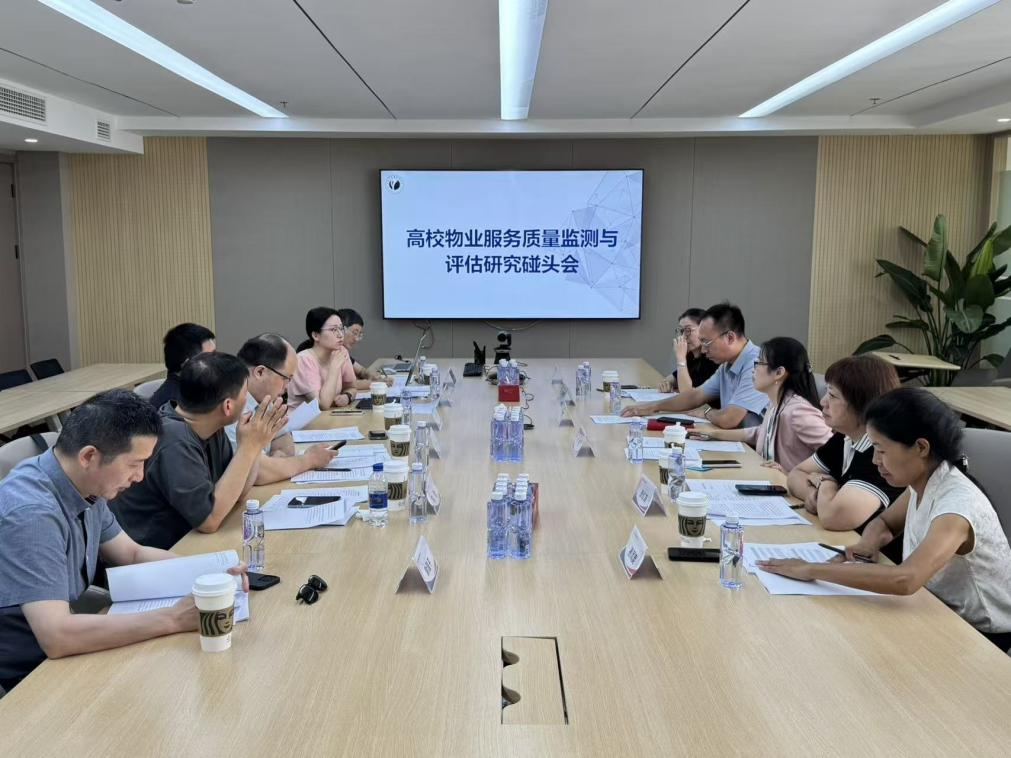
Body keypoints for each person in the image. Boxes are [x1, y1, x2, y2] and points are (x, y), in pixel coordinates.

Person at [0, 390, 248, 692]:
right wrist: (173, 618)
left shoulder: (82, 480)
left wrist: (210, 573)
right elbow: (56, 636)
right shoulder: (32, 513)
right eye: (134, 463)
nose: (140, 476)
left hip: (60, 635)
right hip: (25, 669)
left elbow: (131, 553)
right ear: (89, 456)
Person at [759, 388, 1011, 651]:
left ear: (921, 447)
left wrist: (810, 570)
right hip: (932, 608)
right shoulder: (923, 481)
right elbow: (885, 524)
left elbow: (906, 579)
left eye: (881, 450)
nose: (875, 460)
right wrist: (867, 544)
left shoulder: (956, 507)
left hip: (980, 634)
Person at [110, 353, 287, 551]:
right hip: (156, 553)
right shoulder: (174, 440)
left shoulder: (210, 427)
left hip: (187, 541)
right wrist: (249, 448)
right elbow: (209, 520)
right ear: (228, 406)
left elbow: (236, 494)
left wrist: (254, 445)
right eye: (245, 394)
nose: (247, 400)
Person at [787, 354, 904, 535]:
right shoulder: (845, 436)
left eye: (832, 395)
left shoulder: (881, 454)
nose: (823, 402)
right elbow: (796, 474)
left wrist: (825, 482)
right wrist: (813, 495)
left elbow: (833, 517)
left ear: (863, 405)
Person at [621, 302, 767, 429]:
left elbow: (729, 419)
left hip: (756, 450)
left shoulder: (757, 365)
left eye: (706, 342)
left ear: (730, 338)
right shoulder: (726, 365)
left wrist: (706, 413)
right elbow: (695, 396)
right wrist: (653, 406)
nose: (703, 350)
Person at [701, 337, 831, 472]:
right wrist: (713, 434)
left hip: (788, 484)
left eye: (758, 363)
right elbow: (759, 432)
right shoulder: (777, 402)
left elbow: (836, 452)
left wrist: (790, 473)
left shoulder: (798, 411)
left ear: (779, 373)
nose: (753, 369)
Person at [225, 333, 338, 485]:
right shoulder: (231, 407)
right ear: (260, 372)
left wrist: (279, 457)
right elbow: (256, 473)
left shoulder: (264, 398)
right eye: (286, 378)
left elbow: (282, 436)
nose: (287, 386)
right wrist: (309, 460)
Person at [288, 307, 358, 410]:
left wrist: (347, 396)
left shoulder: (341, 352)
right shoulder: (303, 360)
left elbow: (352, 387)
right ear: (316, 335)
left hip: (331, 416)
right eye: (333, 330)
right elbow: (322, 404)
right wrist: (334, 369)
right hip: (306, 420)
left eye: (341, 328)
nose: (340, 335)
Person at [148, 323, 216, 410]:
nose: (217, 361)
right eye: (210, 357)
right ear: (188, 365)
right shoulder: (173, 409)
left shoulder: (197, 390)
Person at [658, 308, 718, 394]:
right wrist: (666, 383)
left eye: (688, 330)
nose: (683, 336)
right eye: (681, 331)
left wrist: (681, 359)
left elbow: (687, 394)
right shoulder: (691, 356)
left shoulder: (712, 358)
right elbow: (672, 378)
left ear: (703, 329)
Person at [336, 308, 393, 390]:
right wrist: (377, 384)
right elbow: (347, 384)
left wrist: (370, 375)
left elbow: (361, 371)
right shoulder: (331, 351)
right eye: (354, 333)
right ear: (342, 329)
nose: (356, 339)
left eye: (359, 334)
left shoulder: (342, 351)